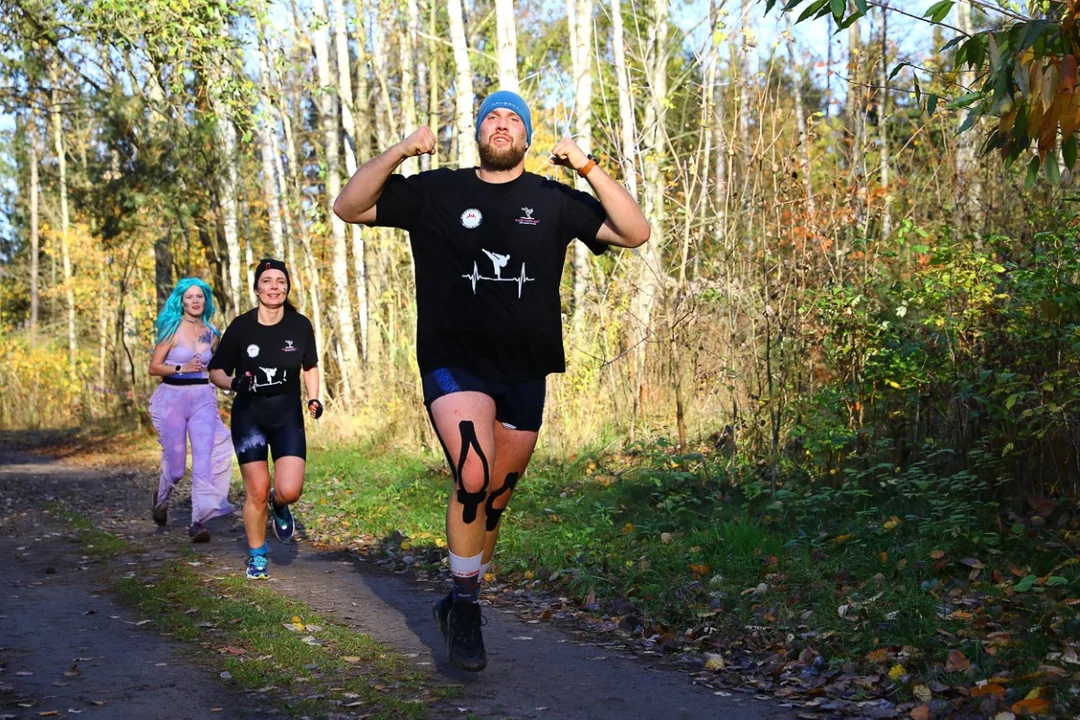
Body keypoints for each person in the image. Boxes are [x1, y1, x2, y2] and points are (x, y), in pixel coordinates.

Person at [333, 90, 650, 670]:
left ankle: (457, 598)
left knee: (497, 498)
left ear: (527, 140)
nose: (501, 125)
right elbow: (347, 206)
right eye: (491, 118)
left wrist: (586, 165)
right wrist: (403, 149)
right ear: (478, 133)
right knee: (473, 475)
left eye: (513, 120)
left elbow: (635, 232)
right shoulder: (439, 191)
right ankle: (470, 610)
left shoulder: (552, 199)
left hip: (526, 368)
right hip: (455, 360)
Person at [208, 259, 323, 580]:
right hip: (250, 420)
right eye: (268, 281)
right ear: (257, 288)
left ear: (287, 288)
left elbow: (310, 365)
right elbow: (216, 370)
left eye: (280, 281)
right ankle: (258, 556)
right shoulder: (242, 326)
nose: (274, 286)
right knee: (256, 491)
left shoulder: (299, 325)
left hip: (287, 417)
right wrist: (233, 384)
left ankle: (280, 506)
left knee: (289, 490)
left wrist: (314, 397)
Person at [148, 278, 237, 543]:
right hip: (172, 398)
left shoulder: (211, 332)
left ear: (206, 300)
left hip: (203, 399)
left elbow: (218, 367)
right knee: (175, 469)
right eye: (190, 297)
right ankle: (161, 497)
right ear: (181, 301)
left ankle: (198, 521)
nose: (196, 301)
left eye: (200, 296)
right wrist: (180, 368)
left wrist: (234, 381)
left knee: (204, 462)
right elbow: (154, 367)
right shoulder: (171, 329)